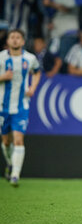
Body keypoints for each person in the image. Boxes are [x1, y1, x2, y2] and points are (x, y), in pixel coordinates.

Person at [0, 29, 41, 187]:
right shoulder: (1, 58)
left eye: (18, 37)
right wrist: (3, 77)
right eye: (12, 37)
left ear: (23, 41)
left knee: (18, 139)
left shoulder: (29, 58)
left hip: (21, 106)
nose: (15, 40)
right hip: (2, 107)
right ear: (8, 41)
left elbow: (37, 72)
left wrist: (33, 87)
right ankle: (10, 164)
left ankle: (15, 175)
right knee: (6, 142)